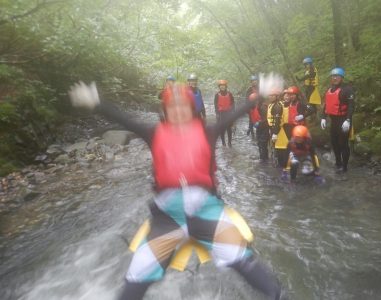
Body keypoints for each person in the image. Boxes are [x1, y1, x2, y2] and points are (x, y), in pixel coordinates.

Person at [68, 81, 282, 300]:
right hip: (168, 217)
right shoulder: (153, 133)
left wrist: (260, 95)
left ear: (192, 108)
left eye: (183, 106)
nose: (178, 111)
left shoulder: (209, 131)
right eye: (173, 106)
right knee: (139, 272)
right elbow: (125, 120)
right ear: (166, 111)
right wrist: (96, 103)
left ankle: (277, 295)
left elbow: (235, 113)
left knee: (240, 256)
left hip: (206, 211)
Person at [320, 67, 355, 173]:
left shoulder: (347, 89)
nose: (334, 78)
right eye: (333, 76)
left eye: (337, 76)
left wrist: (348, 120)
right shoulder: (329, 89)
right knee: (334, 142)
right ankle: (338, 163)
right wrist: (323, 117)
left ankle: (344, 167)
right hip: (334, 120)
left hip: (343, 120)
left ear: (341, 77)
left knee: (343, 144)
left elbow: (351, 106)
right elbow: (326, 105)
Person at [267, 89, 287, 167]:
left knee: (278, 148)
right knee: (275, 147)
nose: (270, 97)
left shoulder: (277, 106)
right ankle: (277, 162)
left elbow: (277, 121)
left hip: (277, 129)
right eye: (270, 95)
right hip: (273, 128)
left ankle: (280, 164)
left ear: (277, 96)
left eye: (273, 96)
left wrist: (275, 133)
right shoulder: (272, 104)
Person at [214, 79, 235, 147]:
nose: (222, 87)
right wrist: (217, 113)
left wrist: (233, 111)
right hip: (221, 114)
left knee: (229, 128)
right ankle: (223, 142)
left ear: (226, 86)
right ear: (219, 87)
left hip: (228, 113)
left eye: (223, 85)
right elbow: (215, 104)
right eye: (221, 86)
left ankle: (229, 142)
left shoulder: (230, 94)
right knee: (222, 129)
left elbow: (232, 103)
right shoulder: (217, 95)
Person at [249, 92, 269, 161]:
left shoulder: (263, 107)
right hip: (259, 128)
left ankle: (264, 159)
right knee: (259, 144)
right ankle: (262, 158)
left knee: (263, 144)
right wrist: (250, 127)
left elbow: (266, 119)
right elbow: (251, 118)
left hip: (265, 128)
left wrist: (259, 123)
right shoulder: (252, 108)